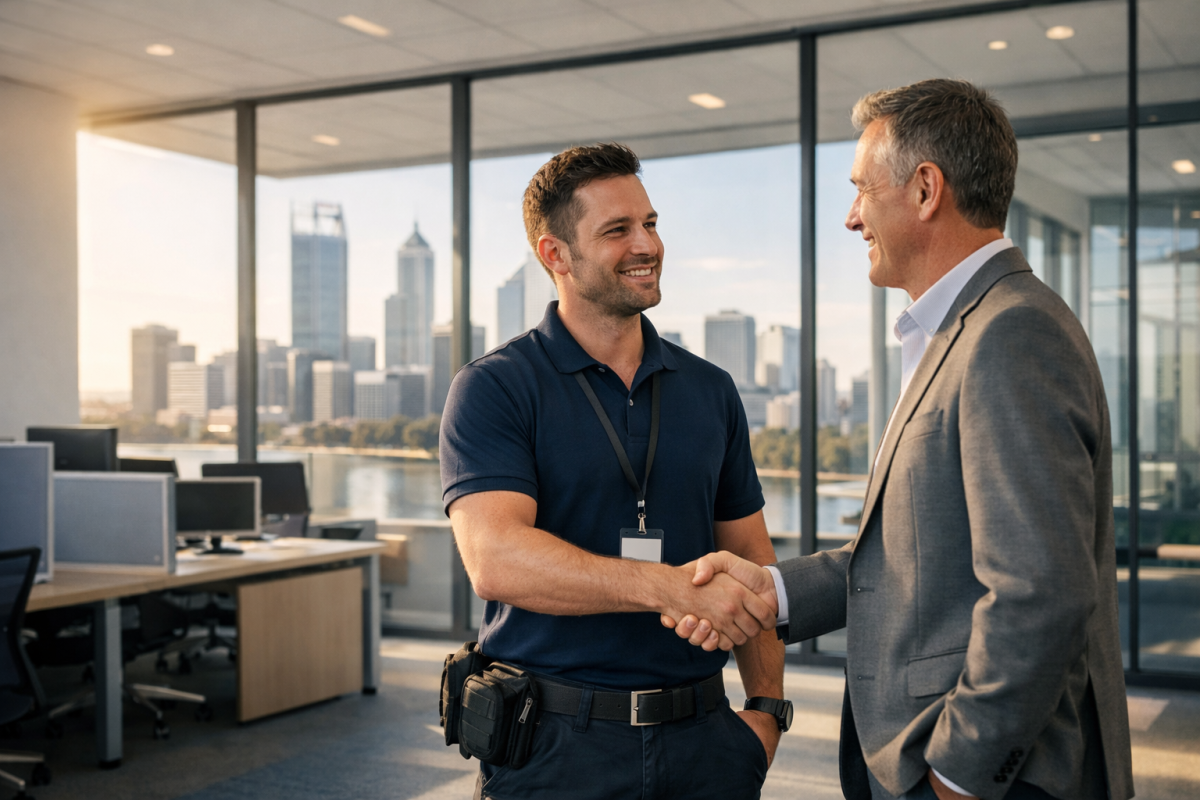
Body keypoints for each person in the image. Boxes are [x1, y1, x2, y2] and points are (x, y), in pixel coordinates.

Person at [668, 79, 1133, 800]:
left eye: (861, 189)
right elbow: (911, 555)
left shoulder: (1010, 333)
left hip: (984, 777)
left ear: (925, 190)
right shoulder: (961, 330)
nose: (852, 218)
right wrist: (772, 591)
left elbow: (1041, 593)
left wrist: (957, 774)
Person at [440, 142, 789, 800]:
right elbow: (497, 559)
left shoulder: (710, 389)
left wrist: (766, 713)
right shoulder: (495, 388)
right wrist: (670, 589)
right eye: (617, 230)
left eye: (651, 223)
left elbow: (751, 556)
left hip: (705, 741)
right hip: (556, 747)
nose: (647, 245)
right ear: (556, 255)